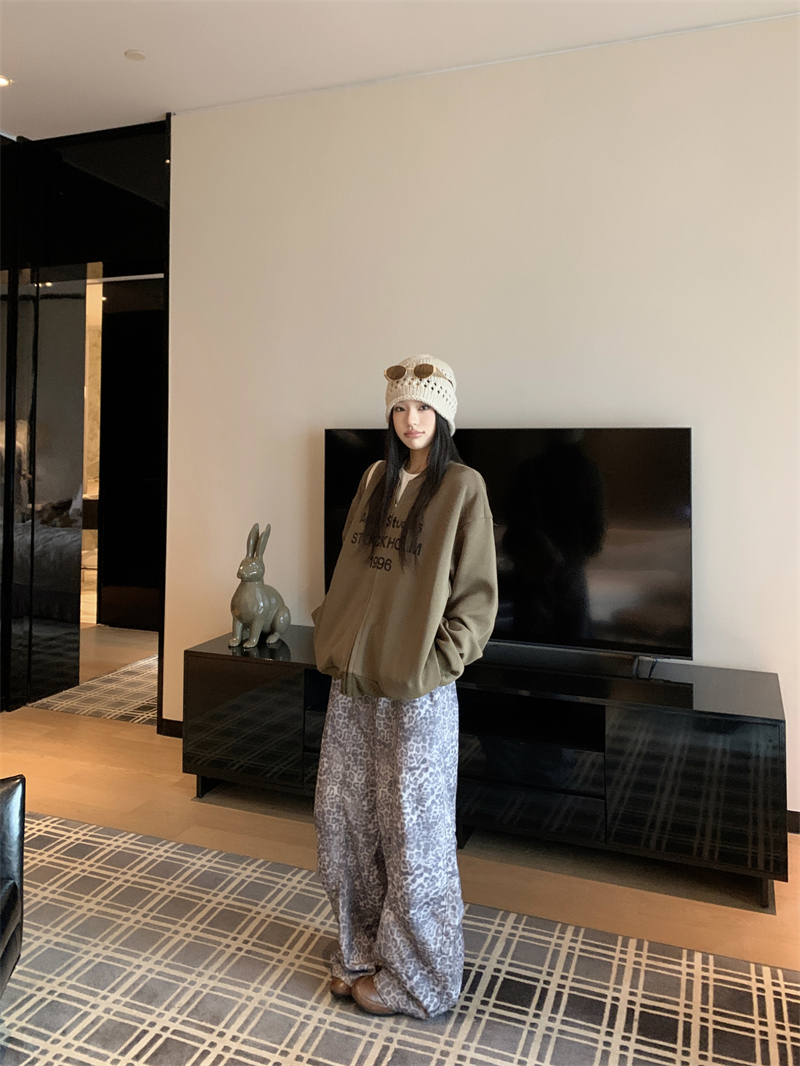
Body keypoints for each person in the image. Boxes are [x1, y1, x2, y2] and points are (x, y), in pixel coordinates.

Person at [312, 355, 498, 1020]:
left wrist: (433, 664)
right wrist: (333, 632)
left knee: (414, 839)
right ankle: (361, 952)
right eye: (400, 407)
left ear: (444, 413)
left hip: (417, 694)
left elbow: (475, 599)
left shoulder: (463, 487)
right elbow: (352, 571)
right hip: (353, 684)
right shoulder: (373, 478)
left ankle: (422, 980)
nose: (411, 419)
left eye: (424, 406)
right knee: (345, 825)